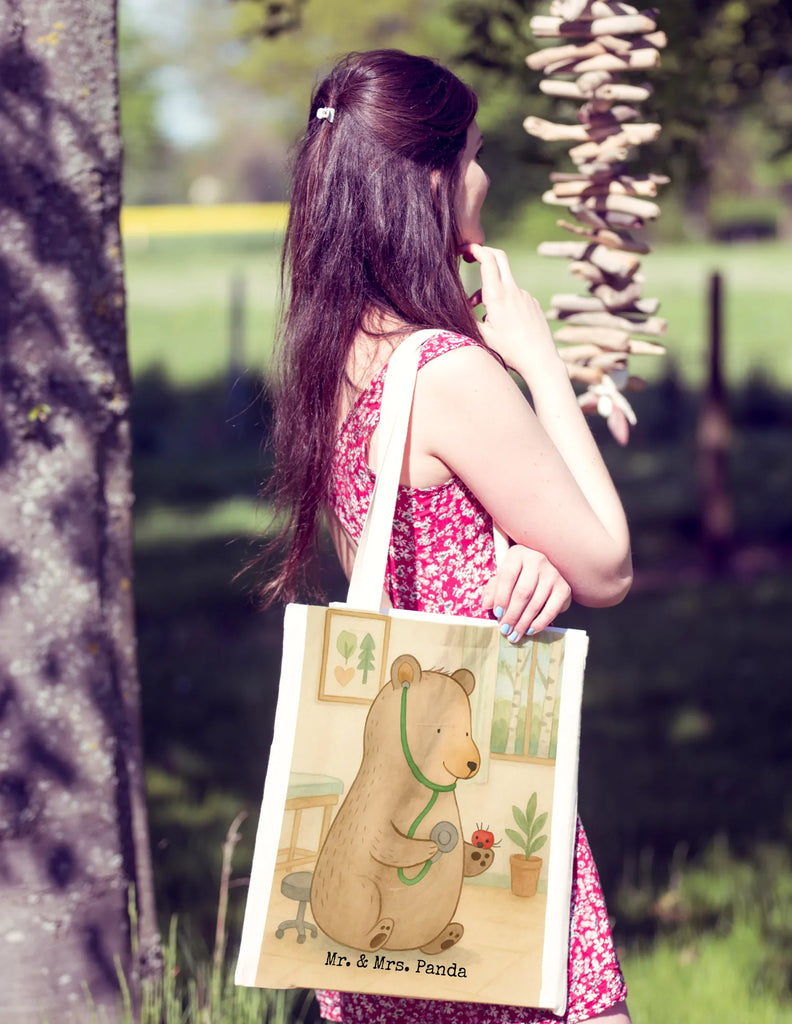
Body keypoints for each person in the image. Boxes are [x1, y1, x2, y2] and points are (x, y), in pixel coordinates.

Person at [260, 48, 633, 1024]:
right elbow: (608, 563)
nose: (483, 177)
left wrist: (522, 550)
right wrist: (540, 365)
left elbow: (403, 549)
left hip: (379, 843)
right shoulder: (449, 373)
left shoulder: (335, 355)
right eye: (471, 155)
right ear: (430, 179)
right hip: (473, 812)